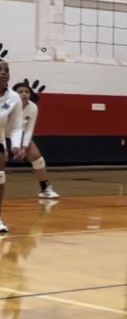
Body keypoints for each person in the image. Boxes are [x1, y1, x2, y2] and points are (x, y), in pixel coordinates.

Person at [12, 80, 59, 199]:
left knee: (37, 158)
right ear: (14, 94)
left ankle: (45, 189)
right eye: (20, 91)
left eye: (26, 91)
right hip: (4, 133)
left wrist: (24, 147)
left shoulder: (33, 107)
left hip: (21, 133)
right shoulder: (9, 105)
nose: (24, 94)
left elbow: (29, 129)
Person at [0, 60, 26, 233]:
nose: (4, 72)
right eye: (0, 70)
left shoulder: (13, 97)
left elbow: (17, 125)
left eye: (6, 70)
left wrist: (16, 144)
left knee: (0, 175)